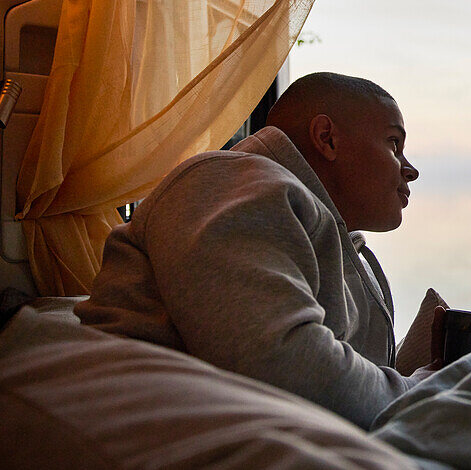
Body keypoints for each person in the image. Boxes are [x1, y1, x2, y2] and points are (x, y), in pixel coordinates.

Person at [76, 72, 429, 429]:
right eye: (394, 144)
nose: (410, 170)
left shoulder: (347, 250)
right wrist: (419, 392)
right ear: (327, 138)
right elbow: (283, 366)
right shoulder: (227, 185)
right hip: (151, 429)